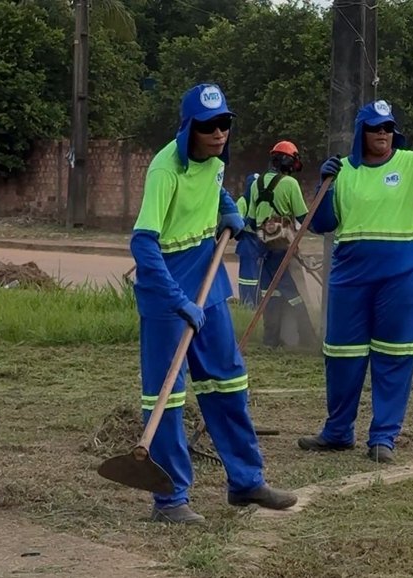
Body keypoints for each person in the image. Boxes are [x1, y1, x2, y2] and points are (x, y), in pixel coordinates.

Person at [129, 83, 296, 524]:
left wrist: (229, 210)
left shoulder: (216, 159)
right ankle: (170, 501)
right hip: (167, 287)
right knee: (166, 397)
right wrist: (175, 299)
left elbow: (213, 190)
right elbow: (143, 243)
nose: (219, 132)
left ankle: (246, 482)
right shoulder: (166, 170)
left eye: (224, 122)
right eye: (208, 126)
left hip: (208, 276)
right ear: (189, 128)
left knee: (228, 381)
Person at [297, 99, 413, 463]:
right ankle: (337, 431)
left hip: (402, 278)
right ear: (361, 133)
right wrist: (323, 185)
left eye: (388, 127)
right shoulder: (343, 171)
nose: (383, 134)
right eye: (375, 128)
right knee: (341, 355)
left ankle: (383, 436)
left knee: (395, 355)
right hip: (349, 277)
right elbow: (323, 224)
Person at [244, 140, 317, 348]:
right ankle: (307, 338)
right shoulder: (289, 184)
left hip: (263, 248)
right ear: (287, 161)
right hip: (284, 248)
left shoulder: (256, 185)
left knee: (270, 293)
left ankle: (271, 339)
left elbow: (250, 220)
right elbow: (304, 217)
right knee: (295, 293)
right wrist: (323, 230)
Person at [235, 172, 261, 308]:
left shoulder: (261, 201)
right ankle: (246, 302)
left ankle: (258, 302)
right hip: (247, 241)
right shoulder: (243, 201)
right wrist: (249, 223)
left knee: (259, 275)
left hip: (260, 241)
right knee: (247, 276)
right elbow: (237, 222)